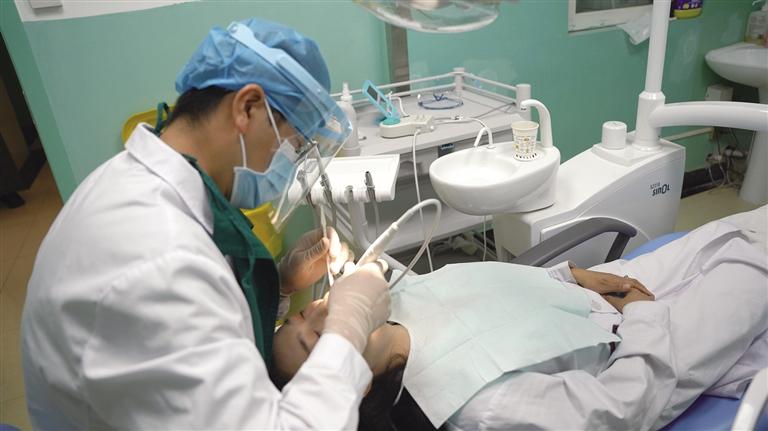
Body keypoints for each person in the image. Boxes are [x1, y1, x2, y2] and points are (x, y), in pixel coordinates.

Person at [21, 18, 390, 430]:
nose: (291, 163)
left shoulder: (132, 183)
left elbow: (202, 331)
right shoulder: (157, 259)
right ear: (247, 108)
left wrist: (281, 285)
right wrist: (349, 325)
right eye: (295, 146)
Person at [272, 206, 768, 430]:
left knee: (731, 232)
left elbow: (495, 292)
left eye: (297, 316)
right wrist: (642, 315)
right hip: (648, 350)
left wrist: (568, 275)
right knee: (753, 266)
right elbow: (622, 407)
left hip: (592, 292)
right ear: (353, 384)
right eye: (314, 338)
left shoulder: (400, 298)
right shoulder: (480, 408)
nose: (316, 310)